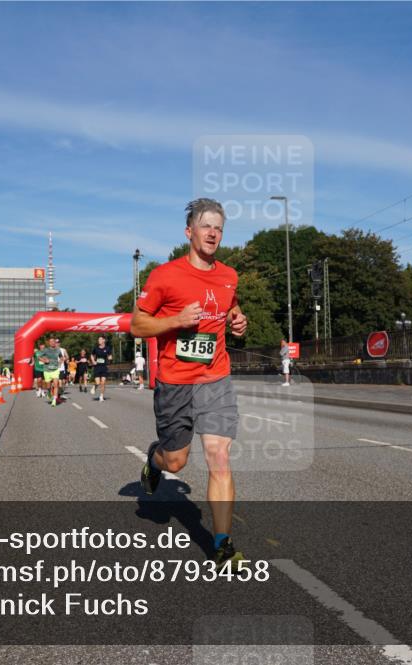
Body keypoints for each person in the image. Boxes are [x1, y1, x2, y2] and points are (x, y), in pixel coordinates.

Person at [131, 198, 248, 568]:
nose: (213, 233)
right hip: (175, 381)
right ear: (189, 232)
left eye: (219, 228)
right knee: (176, 462)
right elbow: (137, 325)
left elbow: (230, 305)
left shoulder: (229, 275)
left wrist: (238, 320)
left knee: (219, 456)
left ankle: (222, 544)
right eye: (206, 226)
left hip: (215, 377)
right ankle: (155, 459)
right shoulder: (164, 276)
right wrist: (175, 320)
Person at [90, 335, 112, 401]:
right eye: (98, 339)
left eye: (100, 339)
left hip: (104, 367)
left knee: (103, 382)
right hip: (97, 367)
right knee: (97, 382)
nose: (98, 341)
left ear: (103, 340)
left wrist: (110, 358)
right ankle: (94, 387)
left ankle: (101, 396)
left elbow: (110, 356)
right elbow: (91, 355)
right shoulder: (96, 348)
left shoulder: (107, 348)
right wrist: (93, 361)